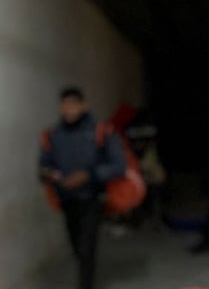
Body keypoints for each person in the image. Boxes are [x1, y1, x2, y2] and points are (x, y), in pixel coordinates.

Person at [39, 87, 126, 289]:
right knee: (78, 248)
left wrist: (89, 175)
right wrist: (49, 175)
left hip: (92, 199)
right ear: (60, 107)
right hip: (67, 201)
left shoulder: (101, 131)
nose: (70, 109)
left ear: (83, 105)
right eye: (65, 105)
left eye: (74, 104)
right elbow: (43, 167)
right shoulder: (52, 135)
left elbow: (118, 166)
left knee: (86, 250)